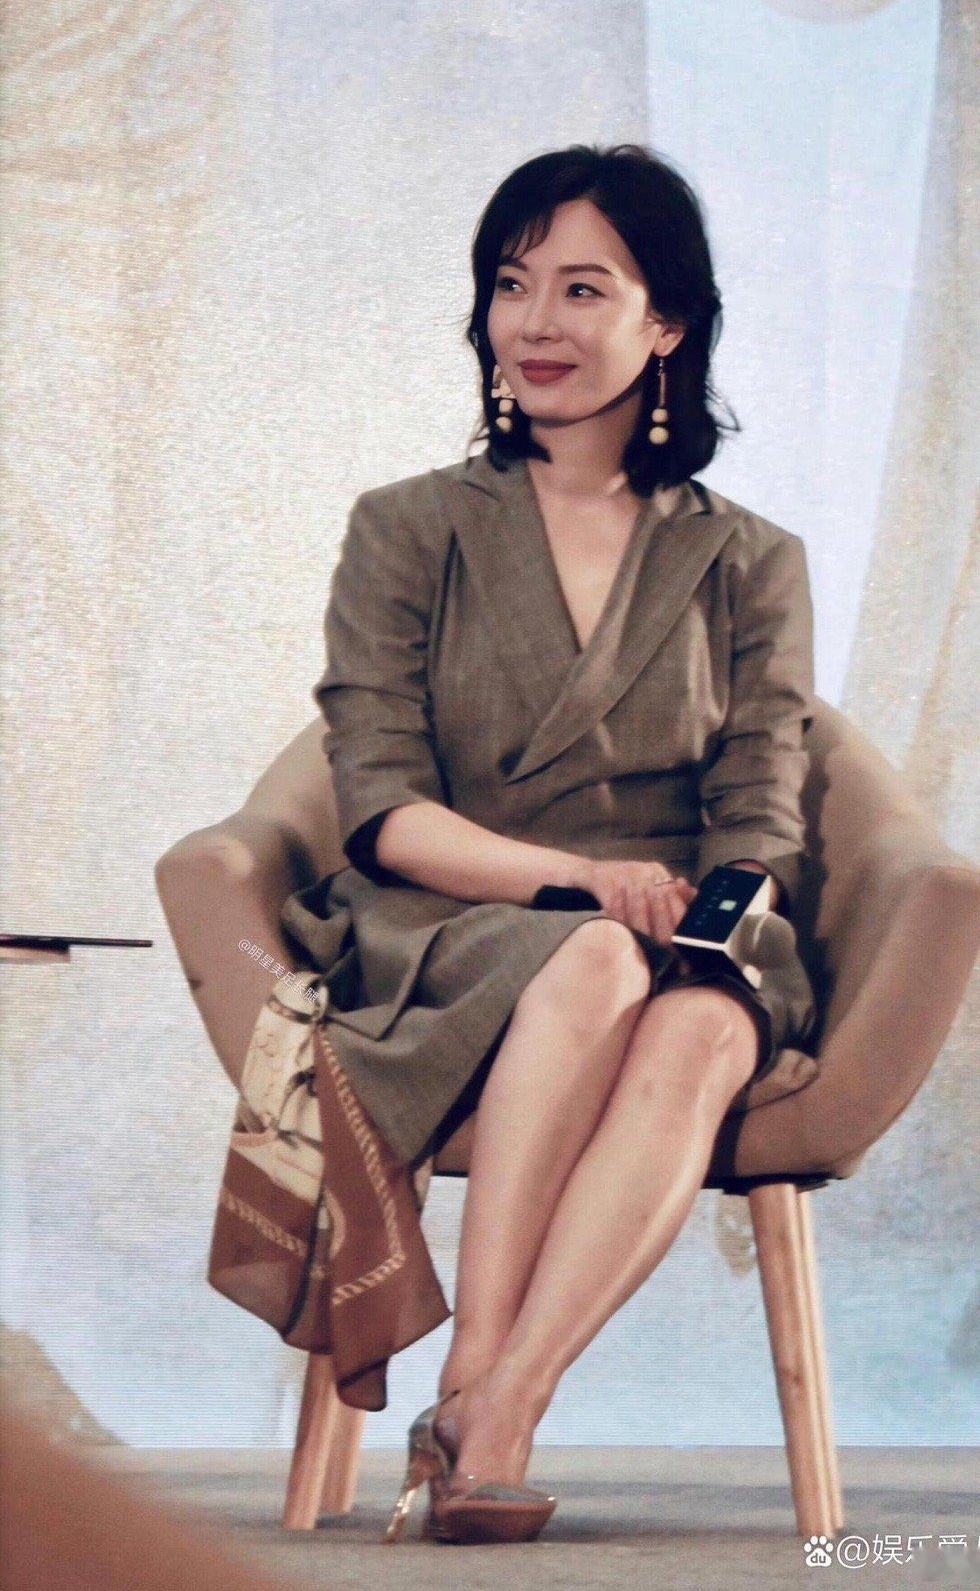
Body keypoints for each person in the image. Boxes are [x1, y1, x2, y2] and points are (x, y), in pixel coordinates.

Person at [280, 143, 817, 1543]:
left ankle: (499, 1407)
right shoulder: (407, 527)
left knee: (697, 1029)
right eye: (512, 286)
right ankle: (473, 1374)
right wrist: (580, 882)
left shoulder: (750, 558)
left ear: (667, 321)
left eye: (584, 289)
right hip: (453, 914)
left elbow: (763, 803)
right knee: (588, 959)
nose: (535, 324)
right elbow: (381, 803)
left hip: (686, 923)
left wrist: (709, 917)